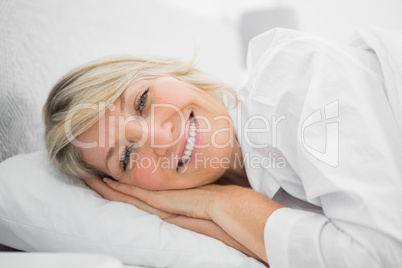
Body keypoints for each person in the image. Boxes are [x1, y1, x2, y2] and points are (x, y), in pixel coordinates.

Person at [43, 28, 402, 267]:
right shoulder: (242, 201)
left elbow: (384, 256)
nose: (164, 137)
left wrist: (220, 202)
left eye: (141, 101)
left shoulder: (290, 78)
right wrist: (208, 208)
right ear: (128, 189)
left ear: (169, 73)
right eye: (126, 155)